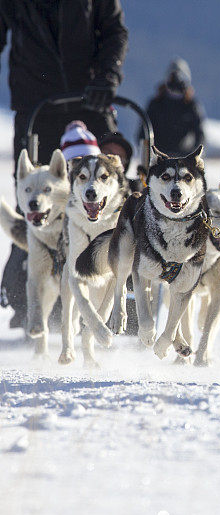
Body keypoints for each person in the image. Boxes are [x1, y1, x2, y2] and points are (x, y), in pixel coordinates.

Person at [0, 0, 128, 329]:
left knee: (112, 178)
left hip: (92, 96)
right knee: (36, 193)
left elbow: (114, 31)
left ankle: (121, 277)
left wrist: (107, 76)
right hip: (35, 103)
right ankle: (33, 289)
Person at [143, 58, 205, 157]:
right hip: (159, 158)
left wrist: (191, 156)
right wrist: (152, 155)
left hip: (184, 158)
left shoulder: (192, 106)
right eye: (173, 77)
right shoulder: (156, 103)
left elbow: (200, 136)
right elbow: (144, 132)